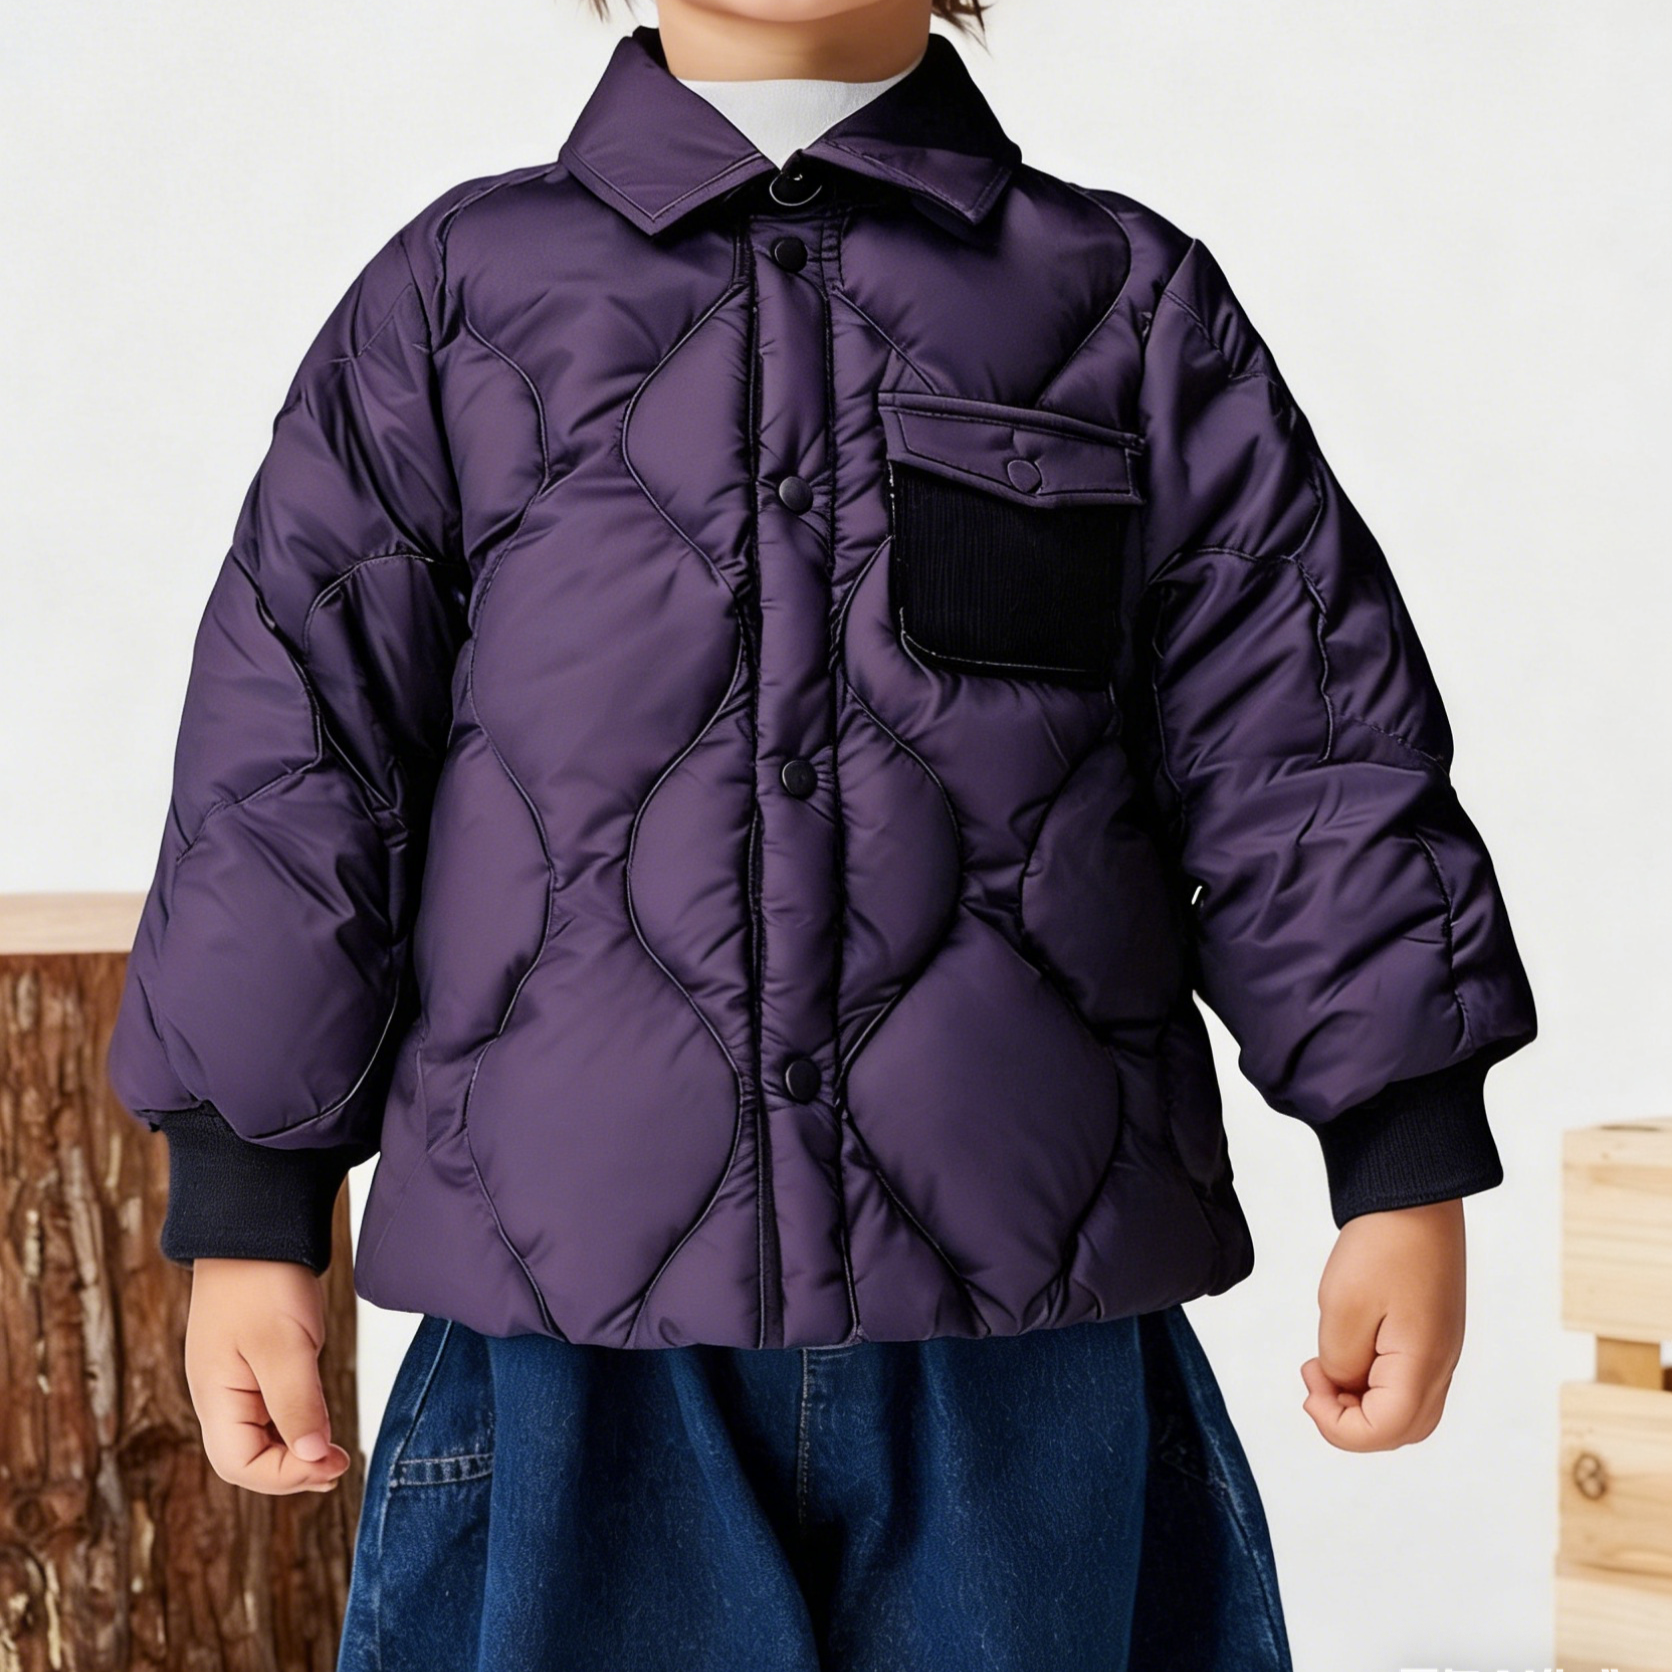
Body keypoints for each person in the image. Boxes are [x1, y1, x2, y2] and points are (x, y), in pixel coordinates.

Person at [106, 1, 1539, 1667]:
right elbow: (294, 760)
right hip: (572, 1337)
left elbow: (1302, 745)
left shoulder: (1124, 305)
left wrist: (1401, 1153)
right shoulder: (452, 305)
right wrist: (250, 1198)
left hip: (1026, 1332)